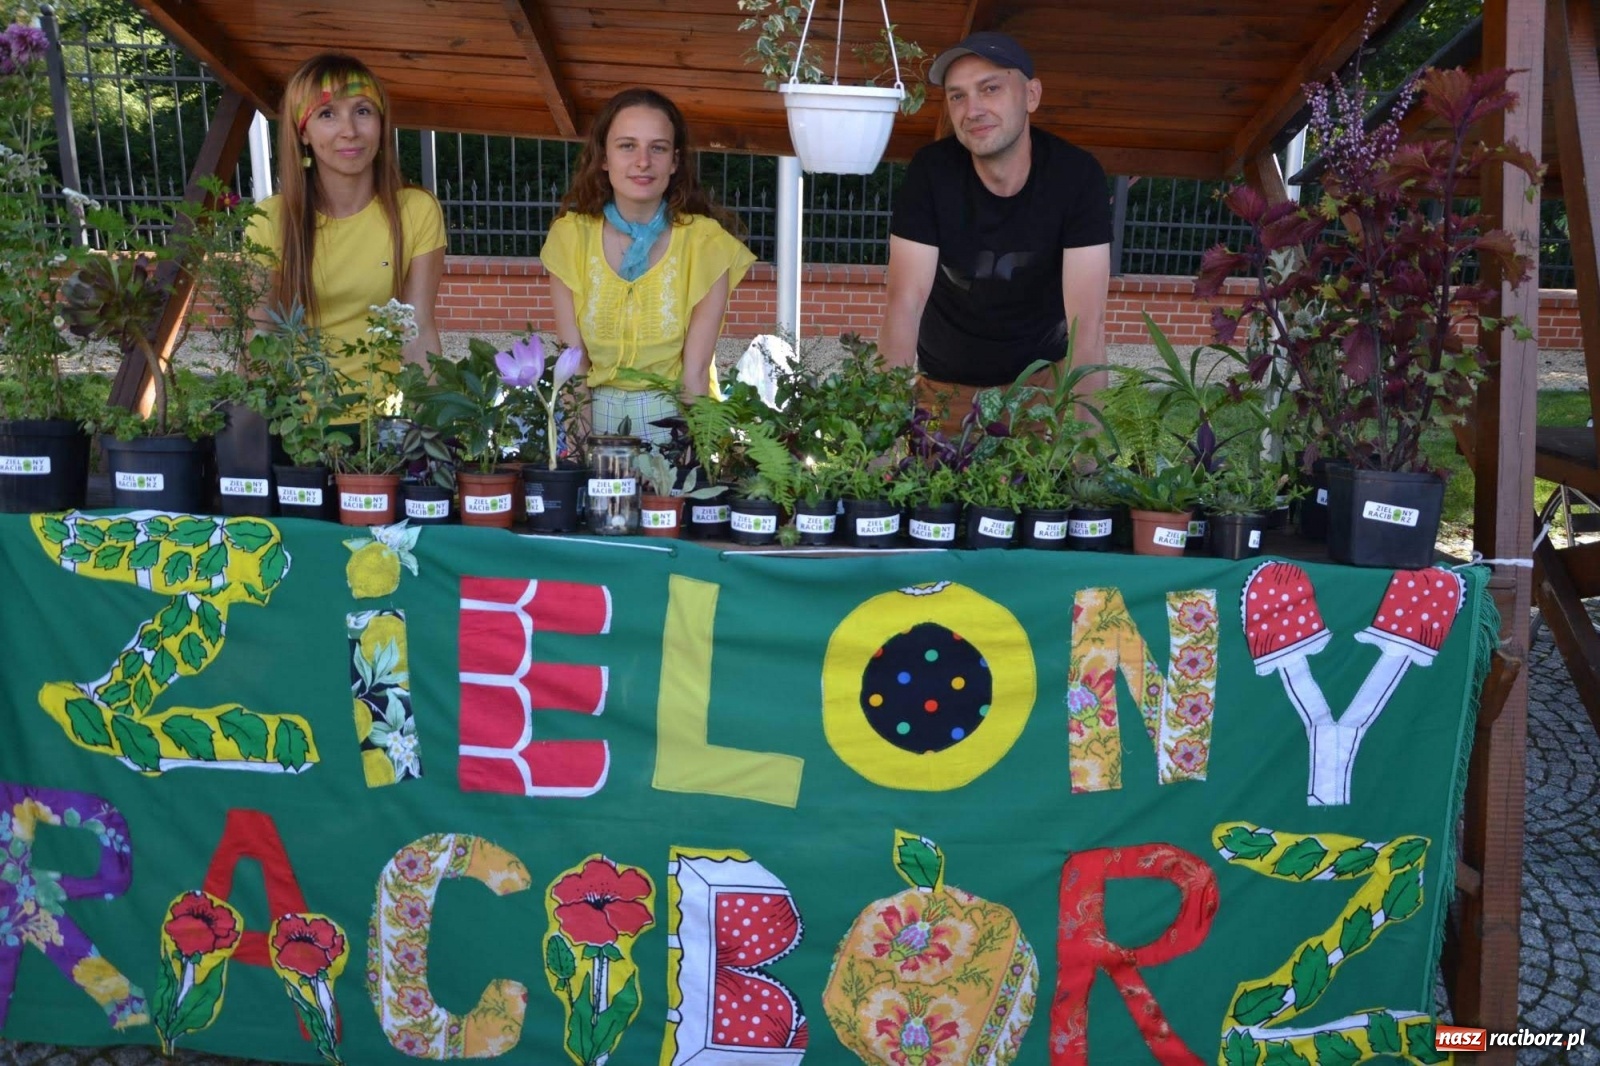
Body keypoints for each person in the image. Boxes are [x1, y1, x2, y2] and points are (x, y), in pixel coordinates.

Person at [878, 31, 1113, 424]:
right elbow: (903, 303)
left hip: (1043, 384)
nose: (973, 109)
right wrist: (881, 430)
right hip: (945, 387)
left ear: (1031, 95)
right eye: (958, 96)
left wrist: (1084, 455)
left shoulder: (1076, 176)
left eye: (990, 89)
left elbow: (1086, 324)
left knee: (1055, 484)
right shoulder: (931, 172)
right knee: (929, 486)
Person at [541, 88, 756, 444]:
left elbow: (697, 372)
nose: (643, 161)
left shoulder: (706, 243)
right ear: (604, 157)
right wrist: (581, 455)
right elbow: (573, 364)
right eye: (627, 146)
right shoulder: (569, 238)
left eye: (657, 148)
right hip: (593, 418)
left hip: (675, 419)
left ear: (674, 161)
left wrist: (690, 456)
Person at [247, 53, 445, 387]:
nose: (350, 130)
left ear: (382, 124)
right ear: (303, 133)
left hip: (385, 427)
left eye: (362, 111)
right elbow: (261, 335)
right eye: (327, 114)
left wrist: (431, 428)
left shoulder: (417, 210)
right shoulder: (271, 220)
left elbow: (418, 330)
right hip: (299, 427)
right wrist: (252, 430)